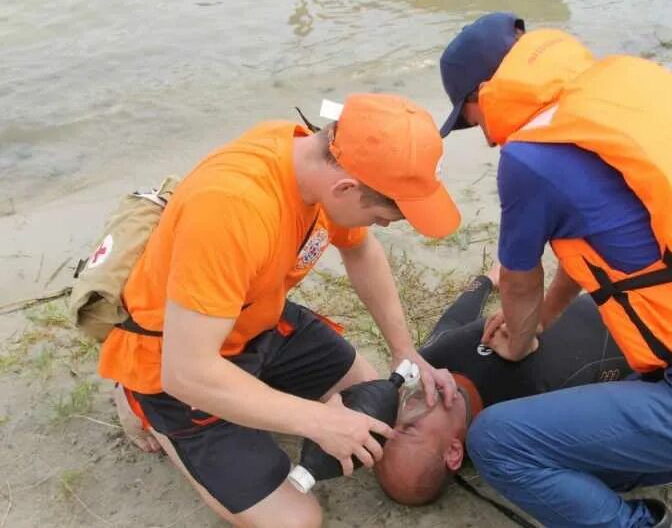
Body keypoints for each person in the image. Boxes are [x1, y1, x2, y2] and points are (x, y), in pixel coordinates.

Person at [438, 12, 672, 527]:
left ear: (482, 92)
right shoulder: (623, 92)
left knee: (498, 441)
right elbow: (599, 246)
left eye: (470, 118)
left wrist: (519, 339)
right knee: (587, 460)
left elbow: (518, 278)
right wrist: (542, 319)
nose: (482, 133)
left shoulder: (530, 156)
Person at [100, 93, 462, 528]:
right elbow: (186, 372)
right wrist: (317, 421)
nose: (384, 226)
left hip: (259, 319)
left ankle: (256, 391)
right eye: (388, 216)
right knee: (297, 520)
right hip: (173, 361)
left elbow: (361, 251)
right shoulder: (233, 209)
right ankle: (140, 401)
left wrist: (404, 350)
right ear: (345, 188)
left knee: (371, 401)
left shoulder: (317, 162)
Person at [375, 266, 672, 524]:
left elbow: (455, 320)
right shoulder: (525, 425)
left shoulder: (430, 364)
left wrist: (483, 281)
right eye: (408, 433)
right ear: (453, 454)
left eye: (391, 429)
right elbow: (643, 418)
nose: (402, 416)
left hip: (671, 302)